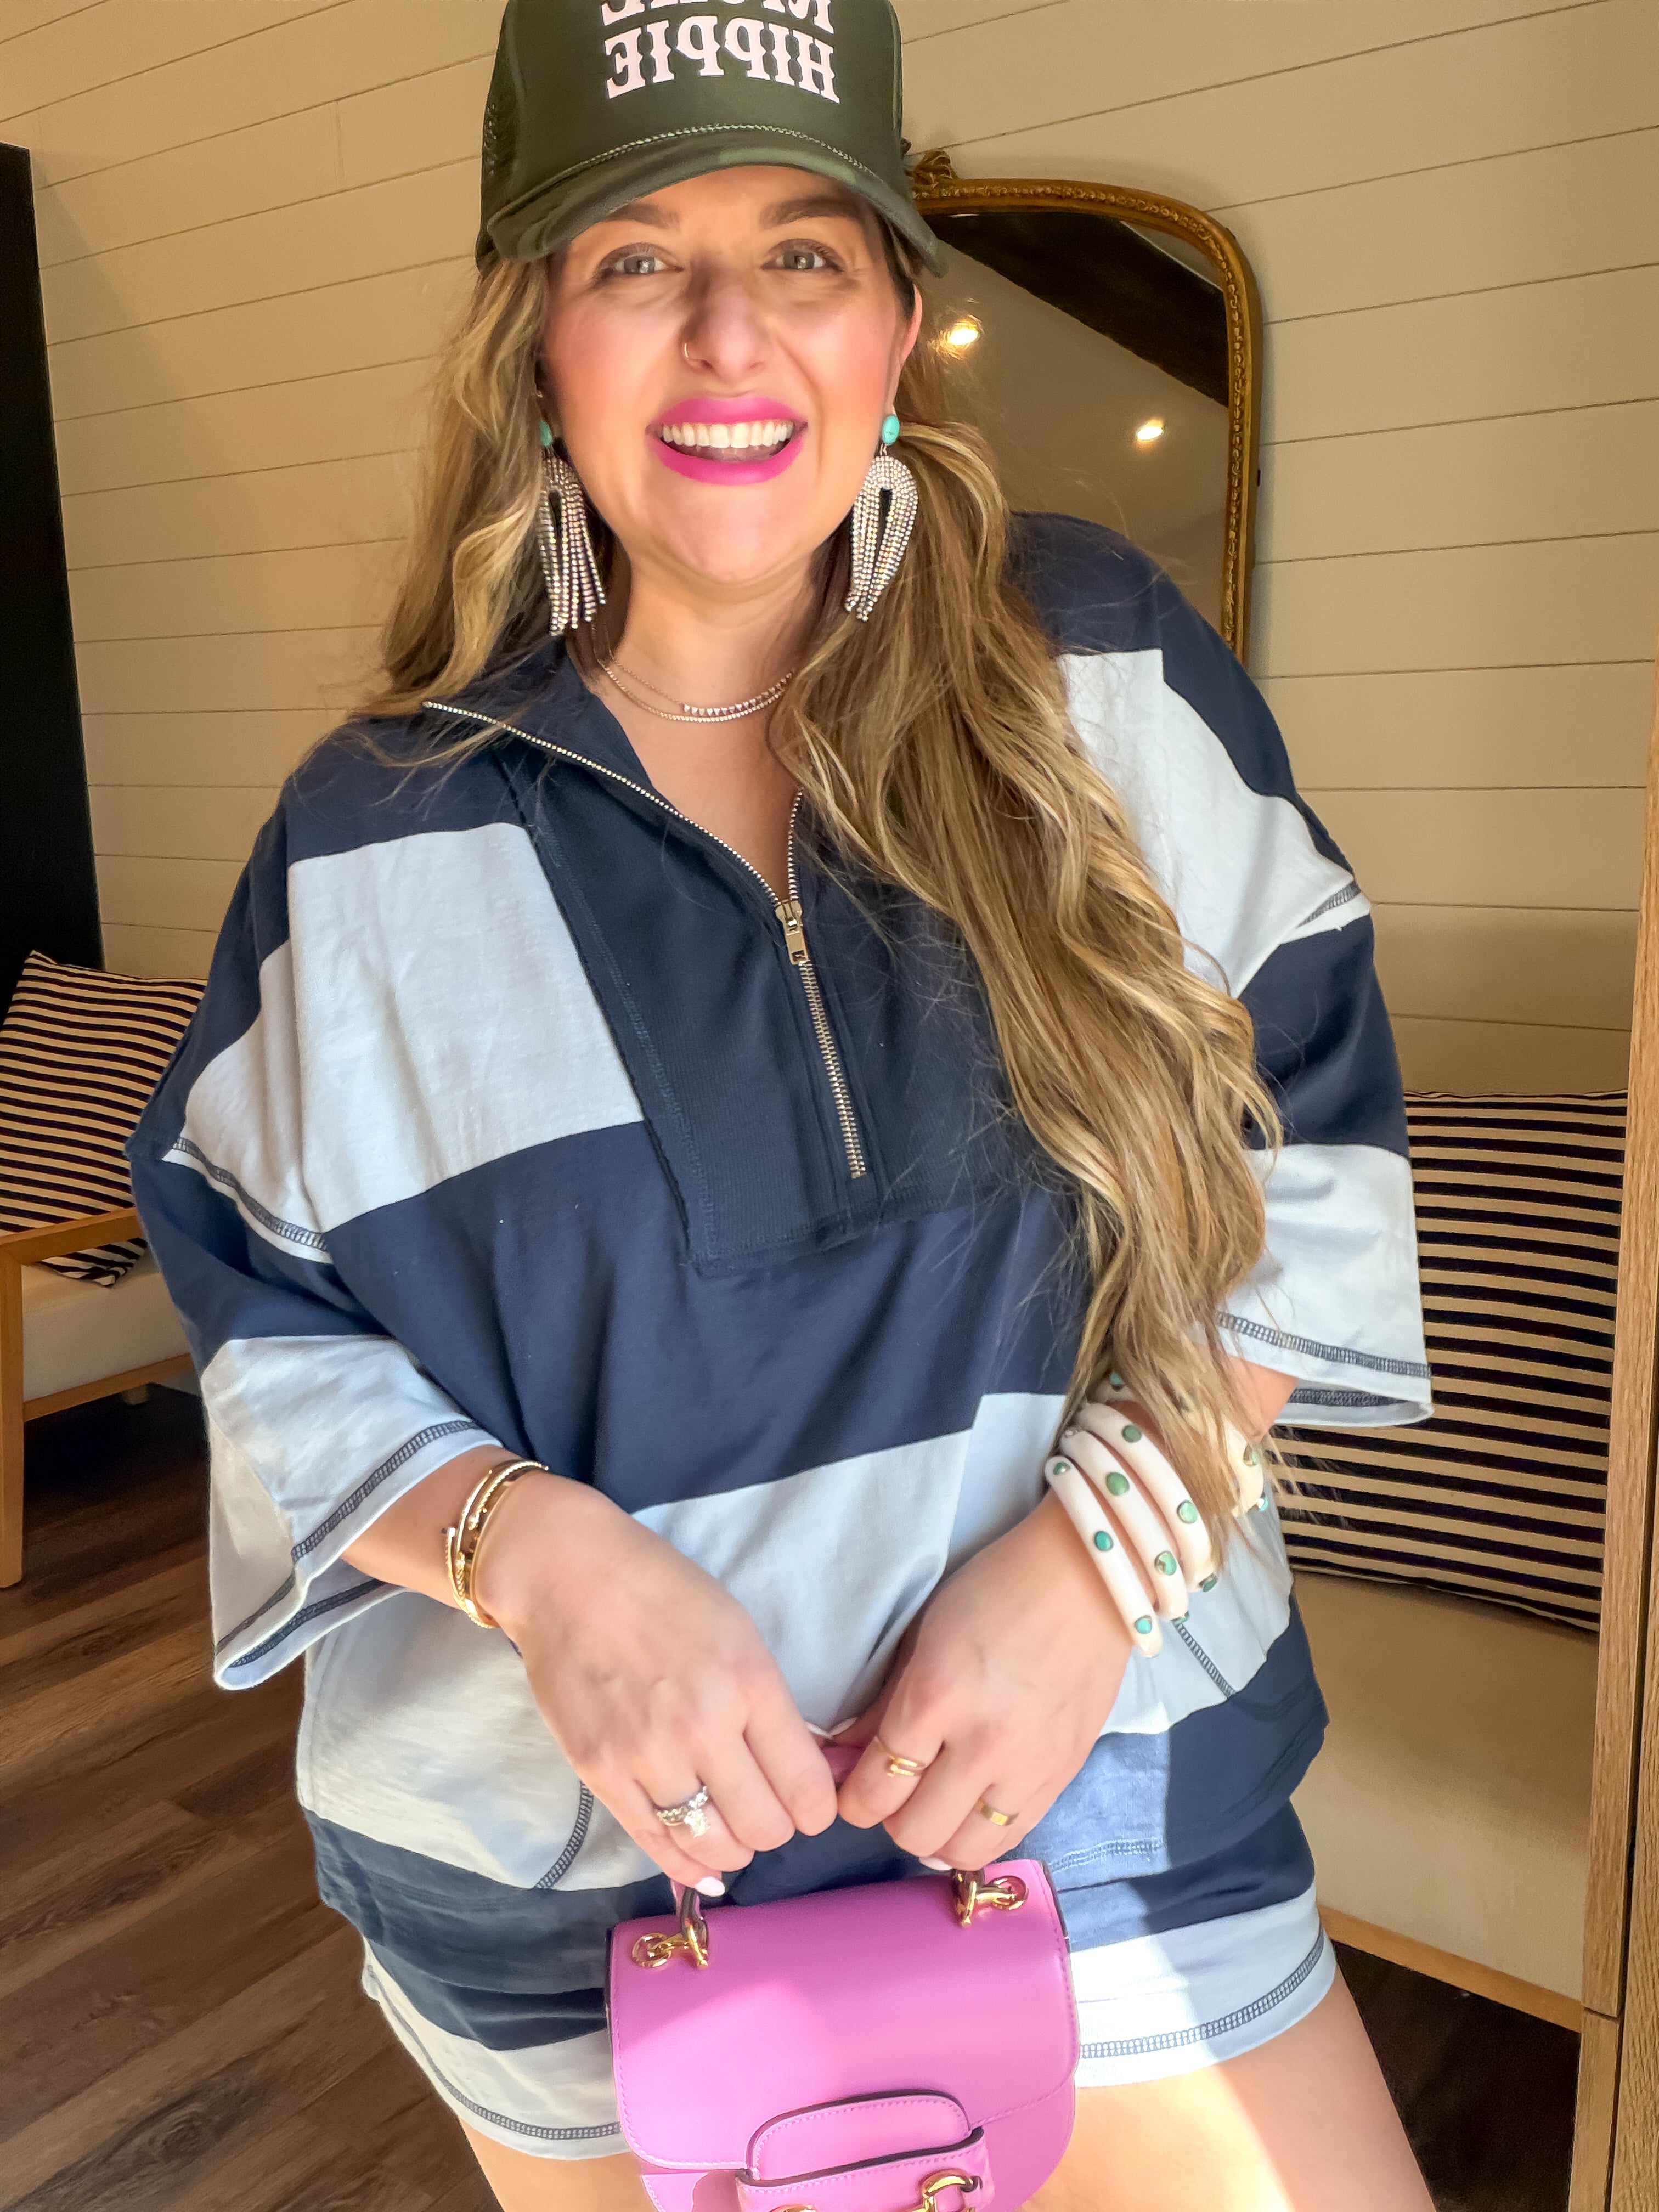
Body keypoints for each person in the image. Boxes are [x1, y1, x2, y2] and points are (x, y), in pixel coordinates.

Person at [131, 2, 1436, 2205]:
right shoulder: (368, 828)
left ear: (899, 323)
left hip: (1116, 1829)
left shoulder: (1107, 663)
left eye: (805, 254)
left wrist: (1098, 1564)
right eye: (637, 259)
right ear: (537, 345)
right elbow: (266, 1324)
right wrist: (538, 1562)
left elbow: (1310, 1164)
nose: (730, 334)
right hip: (575, 1922)